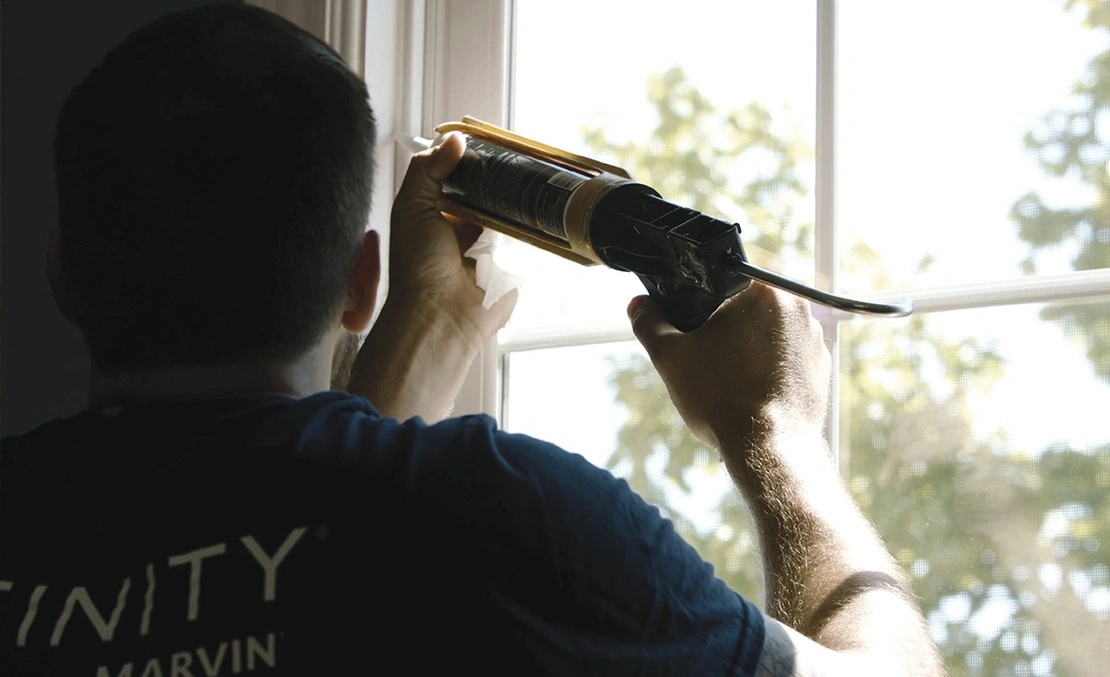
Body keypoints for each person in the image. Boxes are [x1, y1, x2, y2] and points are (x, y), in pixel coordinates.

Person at [0, 5, 944, 676]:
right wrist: (773, 433)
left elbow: (305, 549)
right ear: (360, 282)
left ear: (59, 267)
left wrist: (431, 334)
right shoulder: (513, 521)